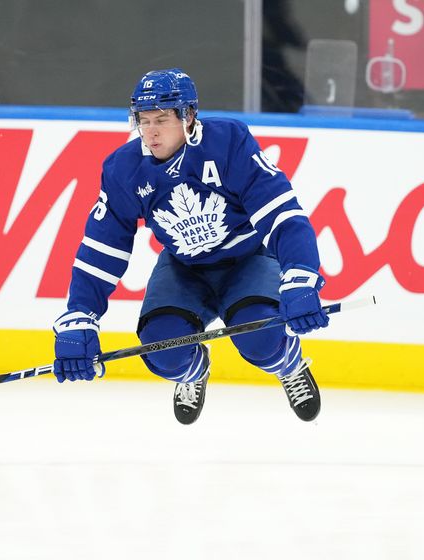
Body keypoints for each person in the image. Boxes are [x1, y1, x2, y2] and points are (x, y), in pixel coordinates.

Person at [52, 68, 330, 424]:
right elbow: (101, 251)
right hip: (183, 269)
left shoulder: (228, 142)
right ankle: (193, 374)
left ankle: (288, 365)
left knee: (262, 340)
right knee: (162, 350)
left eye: (162, 120)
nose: (150, 131)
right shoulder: (124, 169)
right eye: (144, 120)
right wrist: (80, 314)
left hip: (246, 260)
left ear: (189, 116)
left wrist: (300, 274)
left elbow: (283, 215)